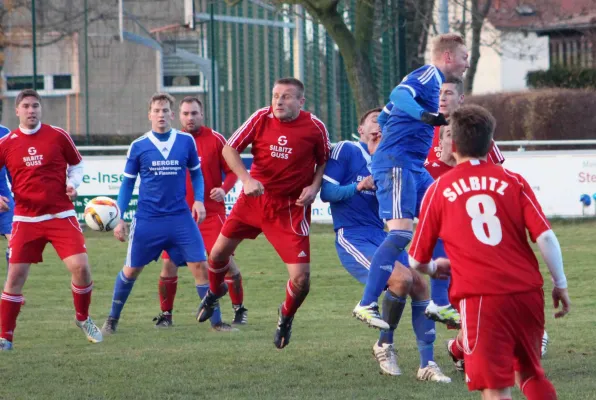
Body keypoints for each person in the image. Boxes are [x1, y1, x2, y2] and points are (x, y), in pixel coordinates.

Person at [409, 104, 569, 400]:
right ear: (490, 144)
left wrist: (435, 268)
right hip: (527, 293)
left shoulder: (439, 188)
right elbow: (545, 236)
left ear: (453, 145)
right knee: (530, 373)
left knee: (495, 388)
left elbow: (417, 260)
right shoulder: (514, 180)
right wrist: (560, 284)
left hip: (482, 297)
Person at [196, 77, 331, 349]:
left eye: (286, 96)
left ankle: (285, 316)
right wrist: (246, 179)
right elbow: (229, 148)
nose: (278, 101)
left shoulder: (315, 127)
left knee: (302, 279)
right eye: (275, 95)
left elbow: (323, 160)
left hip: (290, 209)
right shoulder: (260, 118)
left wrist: (314, 187)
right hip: (254, 201)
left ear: (300, 101)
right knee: (217, 255)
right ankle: (213, 292)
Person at [320, 108, 450, 382]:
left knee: (420, 285)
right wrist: (358, 186)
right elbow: (327, 192)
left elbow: (421, 206)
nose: (379, 126)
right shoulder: (347, 150)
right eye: (373, 121)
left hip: (383, 236)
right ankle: (384, 345)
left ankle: (426, 363)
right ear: (361, 128)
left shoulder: (394, 163)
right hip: (352, 235)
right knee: (402, 279)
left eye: (385, 123)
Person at [354, 33, 469, 330]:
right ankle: (367, 303)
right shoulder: (430, 74)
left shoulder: (432, 83)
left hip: (413, 166)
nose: (466, 64)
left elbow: (387, 115)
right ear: (448, 57)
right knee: (401, 234)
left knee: (447, 222)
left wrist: (402, 122)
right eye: (464, 57)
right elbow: (397, 96)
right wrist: (423, 115)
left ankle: (441, 304)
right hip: (396, 162)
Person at [0, 89, 102, 350]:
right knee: (15, 277)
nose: (31, 110)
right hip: (25, 218)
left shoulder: (57, 135)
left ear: (40, 108)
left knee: (81, 268)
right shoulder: (7, 142)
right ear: (17, 111)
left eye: (35, 105)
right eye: (26, 106)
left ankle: (83, 318)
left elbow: (77, 165)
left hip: (60, 215)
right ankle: (5, 337)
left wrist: (72, 182)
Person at [101, 93, 208, 335]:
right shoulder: (139, 146)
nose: (161, 114)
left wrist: (199, 200)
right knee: (131, 271)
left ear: (172, 114)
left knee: (201, 265)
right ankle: (112, 319)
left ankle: (217, 323)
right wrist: (119, 218)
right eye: (156, 110)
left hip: (180, 218)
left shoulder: (186, 141)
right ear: (149, 114)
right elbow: (127, 184)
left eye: (165, 110)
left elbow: (197, 174)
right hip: (148, 220)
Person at [156, 96, 246, 332]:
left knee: (225, 263)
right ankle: (166, 315)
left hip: (211, 213)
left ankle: (239, 310)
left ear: (202, 114)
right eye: (185, 113)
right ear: (178, 116)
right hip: (177, 215)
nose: (190, 118)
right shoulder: (170, 140)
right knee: (168, 265)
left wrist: (223, 189)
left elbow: (234, 171)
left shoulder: (216, 139)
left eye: (194, 113)